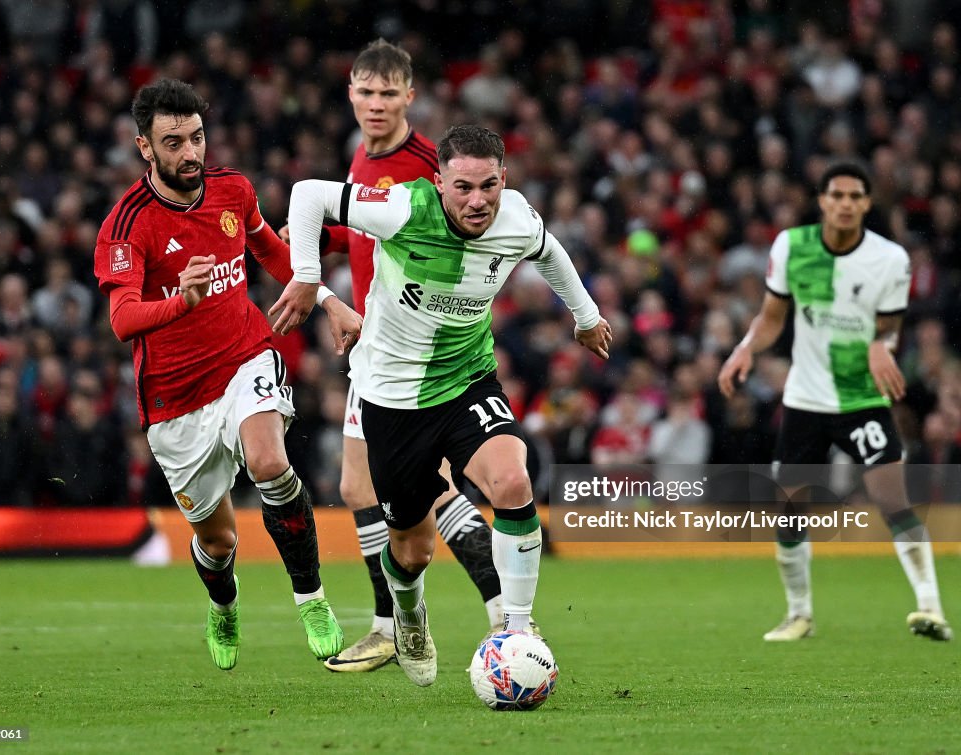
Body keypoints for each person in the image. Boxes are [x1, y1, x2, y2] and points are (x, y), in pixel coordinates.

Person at [272, 125, 612, 686]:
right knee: (413, 549)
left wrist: (587, 317)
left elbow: (549, 252)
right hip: (392, 399)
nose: (477, 200)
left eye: (489, 186)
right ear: (438, 182)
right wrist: (308, 276)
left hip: (466, 381)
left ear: (504, 179)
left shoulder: (516, 218)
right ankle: (407, 615)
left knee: (512, 482)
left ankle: (517, 629)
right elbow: (308, 194)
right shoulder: (402, 208)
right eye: (462, 188)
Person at [94, 79, 362, 670]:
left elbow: (270, 252)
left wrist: (328, 299)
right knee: (217, 543)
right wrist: (180, 303)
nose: (190, 153)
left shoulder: (232, 189)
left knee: (270, 462)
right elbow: (122, 320)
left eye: (196, 137)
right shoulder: (126, 224)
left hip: (244, 357)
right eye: (173, 142)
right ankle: (223, 602)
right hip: (173, 399)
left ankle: (311, 598)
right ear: (145, 148)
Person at [318, 39, 515, 673]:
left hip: (415, 352)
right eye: (366, 93)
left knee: (406, 488)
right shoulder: (363, 156)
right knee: (370, 486)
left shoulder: (431, 164)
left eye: (388, 94)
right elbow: (367, 235)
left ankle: (484, 612)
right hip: (375, 340)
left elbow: (476, 230)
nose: (375, 105)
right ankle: (426, 618)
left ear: (410, 95)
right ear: (351, 93)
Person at [718, 162, 952, 643]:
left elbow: (889, 327)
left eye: (855, 196)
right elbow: (772, 316)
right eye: (837, 195)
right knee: (789, 509)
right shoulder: (792, 246)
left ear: (867, 203)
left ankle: (931, 608)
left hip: (861, 397)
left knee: (892, 499)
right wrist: (744, 347)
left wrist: (879, 345)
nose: (845, 204)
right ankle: (799, 614)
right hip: (805, 398)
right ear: (822, 200)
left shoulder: (889, 259)